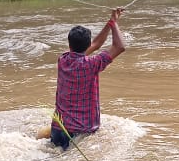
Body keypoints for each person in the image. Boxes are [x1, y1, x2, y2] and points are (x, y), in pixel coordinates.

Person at [50, 8, 126, 149]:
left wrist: (111, 21)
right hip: (80, 134)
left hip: (58, 128)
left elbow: (96, 44)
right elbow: (119, 46)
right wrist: (114, 23)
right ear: (87, 44)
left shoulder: (62, 60)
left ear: (69, 44)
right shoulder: (91, 65)